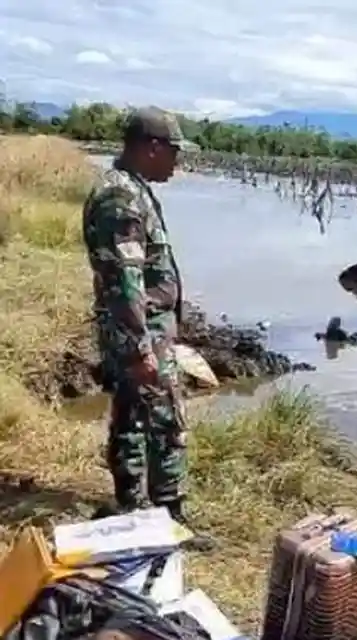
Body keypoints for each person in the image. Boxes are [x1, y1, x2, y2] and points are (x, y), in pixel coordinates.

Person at [82, 107, 213, 550]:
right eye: (174, 151)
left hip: (137, 330)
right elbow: (125, 280)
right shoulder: (121, 198)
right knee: (165, 421)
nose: (177, 162)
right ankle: (167, 515)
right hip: (139, 332)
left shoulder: (130, 190)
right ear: (151, 148)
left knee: (132, 416)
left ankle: (132, 506)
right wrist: (141, 348)